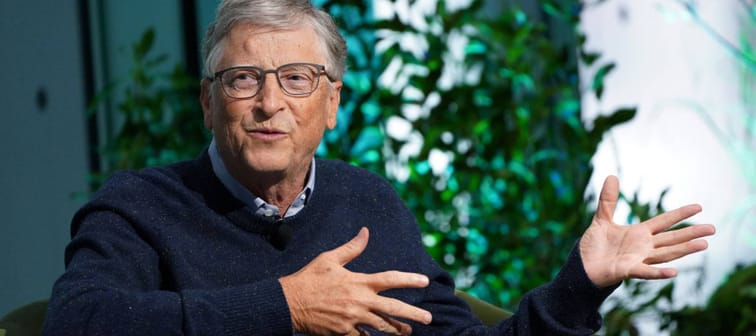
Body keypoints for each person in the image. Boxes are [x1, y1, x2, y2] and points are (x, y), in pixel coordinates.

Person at [43, 0, 716, 335]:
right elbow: (76, 321)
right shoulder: (139, 205)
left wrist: (582, 283)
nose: (269, 102)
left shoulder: (368, 202)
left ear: (332, 104)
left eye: (298, 79)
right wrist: (285, 306)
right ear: (208, 102)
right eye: (243, 78)